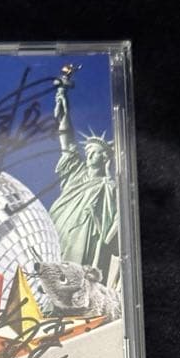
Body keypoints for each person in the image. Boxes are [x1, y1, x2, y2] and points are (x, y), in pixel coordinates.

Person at [48, 64, 119, 283]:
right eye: (88, 152)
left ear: (105, 158)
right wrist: (63, 104)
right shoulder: (76, 171)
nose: (89, 156)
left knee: (73, 274)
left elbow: (111, 223)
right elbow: (67, 140)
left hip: (86, 235)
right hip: (61, 225)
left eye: (95, 153)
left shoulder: (109, 186)